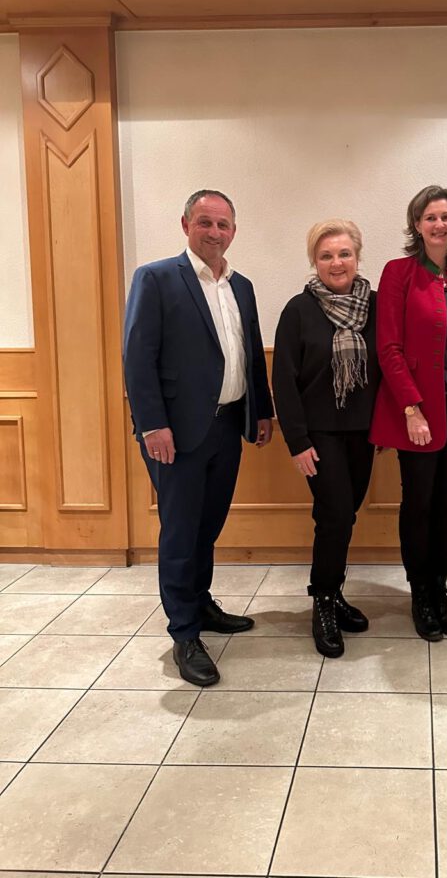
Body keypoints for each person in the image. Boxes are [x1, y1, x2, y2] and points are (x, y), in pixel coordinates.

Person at [123, 189, 273, 687]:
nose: (214, 232)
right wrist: (152, 424)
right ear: (185, 224)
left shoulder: (241, 286)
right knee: (181, 533)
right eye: (205, 222)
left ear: (234, 231)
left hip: (228, 426)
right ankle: (184, 633)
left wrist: (262, 411)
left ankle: (200, 603)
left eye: (223, 224)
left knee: (207, 526)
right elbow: (137, 356)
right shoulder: (157, 278)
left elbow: (250, 354)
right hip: (176, 432)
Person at [370, 185, 447, 641]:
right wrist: (411, 408)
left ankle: (440, 588)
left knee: (446, 503)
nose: (439, 224)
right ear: (417, 225)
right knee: (418, 503)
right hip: (417, 410)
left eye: (446, 217)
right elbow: (389, 347)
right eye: (430, 217)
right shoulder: (398, 273)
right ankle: (419, 592)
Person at [272, 220, 379, 658]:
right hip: (319, 435)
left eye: (344, 254)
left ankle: (333, 594)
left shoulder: (375, 305)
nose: (337, 263)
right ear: (314, 262)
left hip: (364, 433)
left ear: (357, 256)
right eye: (326, 255)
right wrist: (297, 442)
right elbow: (283, 380)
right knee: (334, 515)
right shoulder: (299, 310)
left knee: (344, 514)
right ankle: (322, 602)